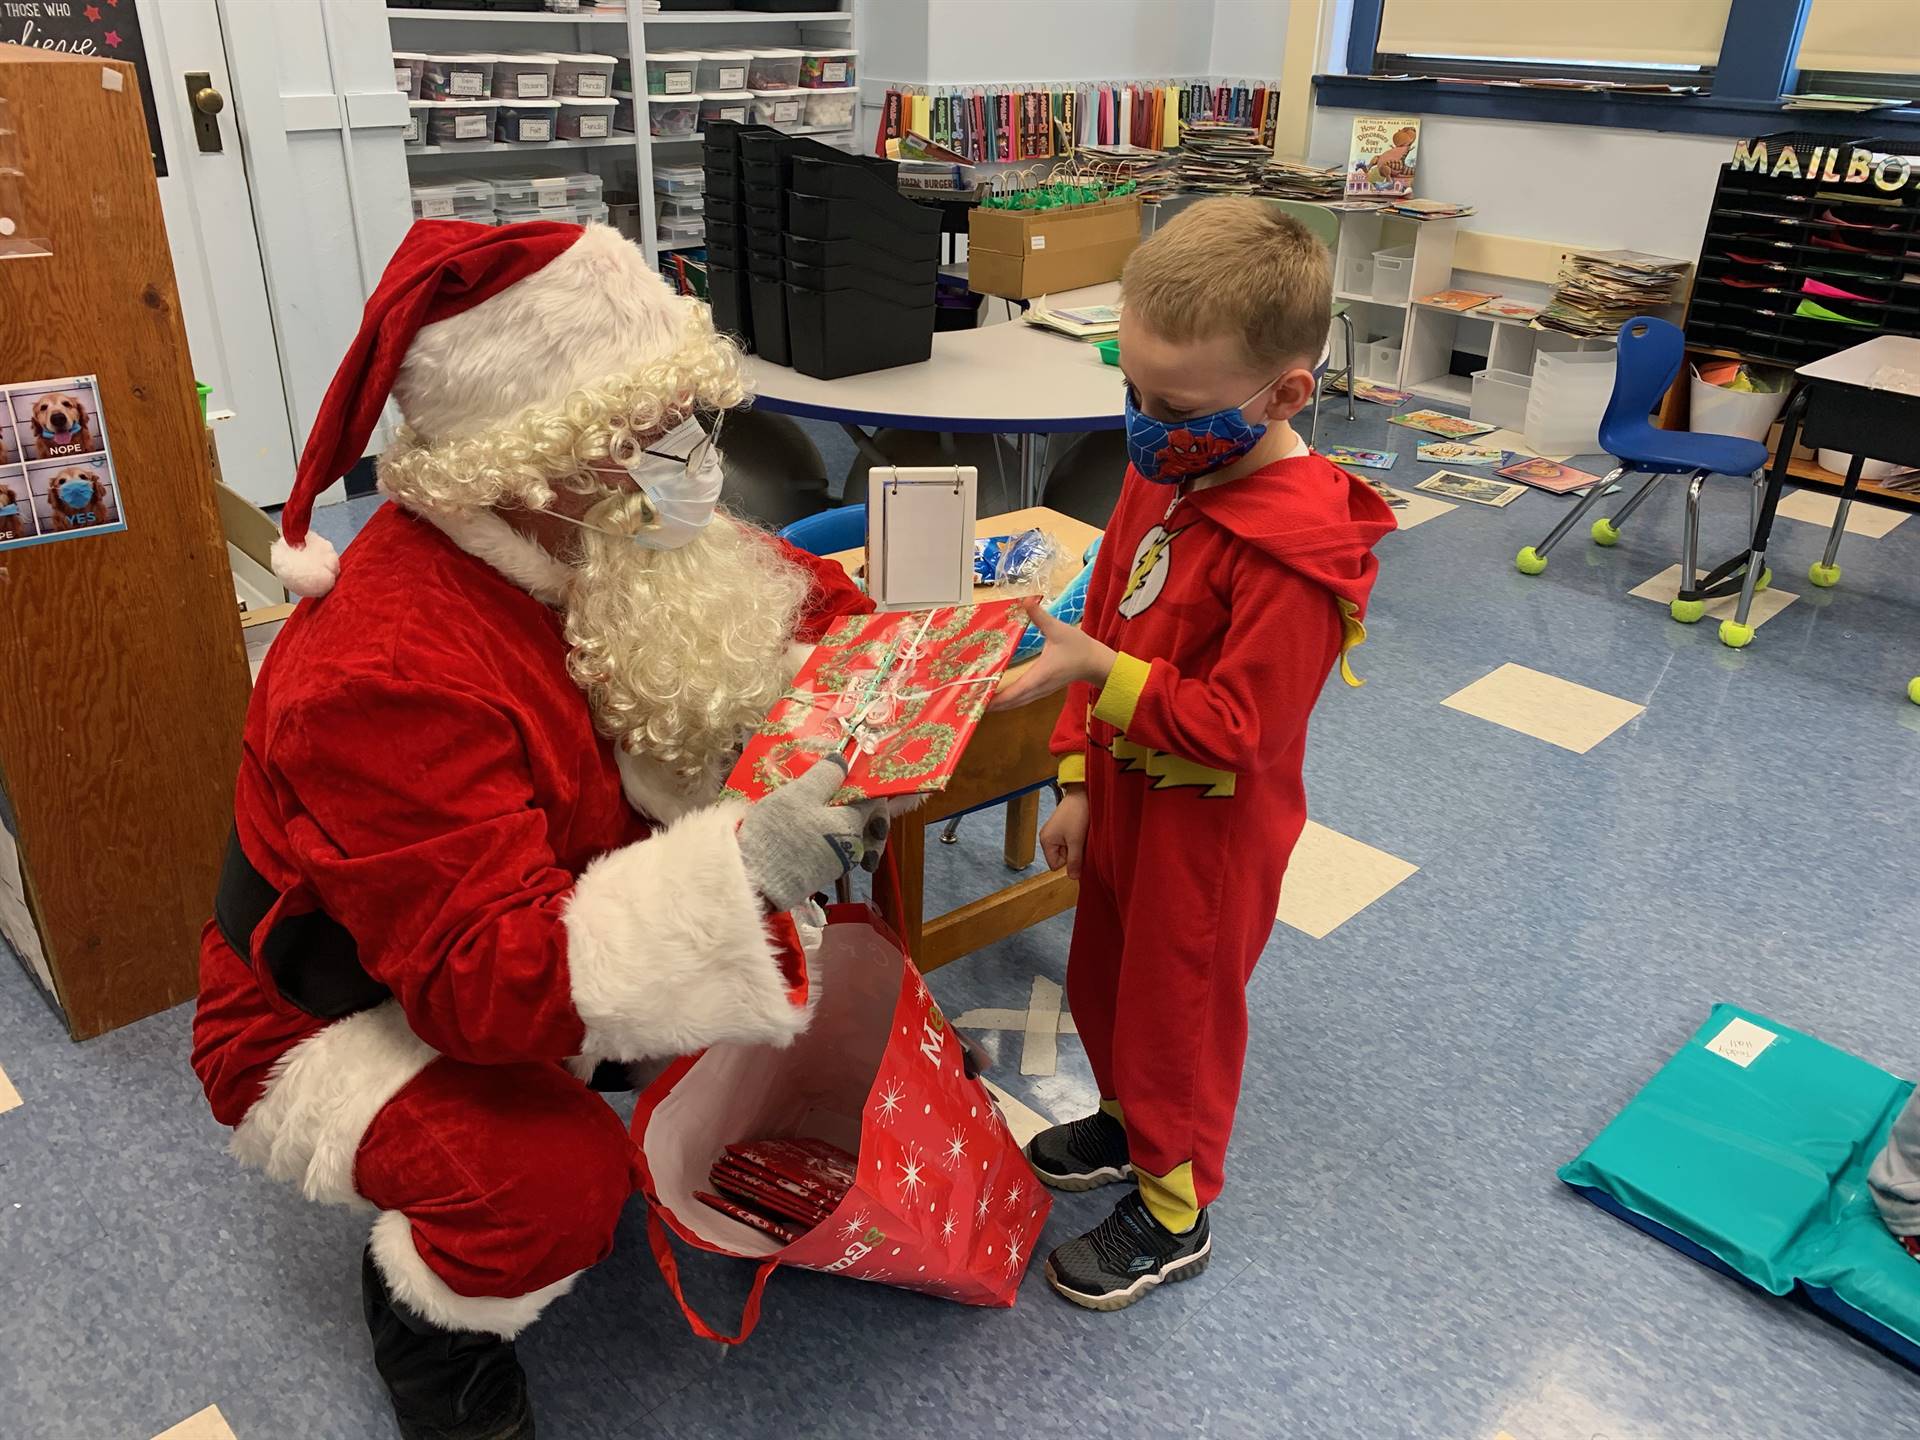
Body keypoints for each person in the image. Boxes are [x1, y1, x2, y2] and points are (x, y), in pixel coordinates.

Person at [190, 220, 885, 1439]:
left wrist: (915, 668)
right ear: (531, 461)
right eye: (657, 432)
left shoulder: (612, 518)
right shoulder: (385, 671)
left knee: (801, 969)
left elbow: (800, 596)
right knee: (553, 1187)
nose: (700, 459)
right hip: (335, 1002)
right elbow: (480, 984)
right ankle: (435, 1347)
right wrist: (749, 865)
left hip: (543, 901)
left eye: (696, 417)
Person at [990, 198, 1395, 1311]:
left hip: (1209, 840)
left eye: (1174, 405)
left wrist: (1093, 682)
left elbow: (1241, 728)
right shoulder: (1162, 470)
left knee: (1179, 1018)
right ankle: (1129, 1127)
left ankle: (1175, 1212)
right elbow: (1107, 626)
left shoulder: (1300, 552)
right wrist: (1074, 773)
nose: (1145, 422)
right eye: (1133, 392)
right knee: (1105, 981)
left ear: (1286, 394)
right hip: (1124, 802)